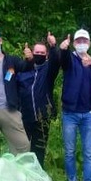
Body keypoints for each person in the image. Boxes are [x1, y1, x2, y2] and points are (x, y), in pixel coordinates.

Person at [56, 29, 91, 181]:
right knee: (69, 151)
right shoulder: (70, 59)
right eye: (78, 41)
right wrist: (63, 49)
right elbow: (63, 60)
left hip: (89, 115)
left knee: (89, 153)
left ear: (89, 43)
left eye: (85, 41)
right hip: (70, 114)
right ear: (74, 43)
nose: (82, 44)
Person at [16, 37, 62, 168]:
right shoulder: (23, 68)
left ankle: (38, 176)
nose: (39, 55)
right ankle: (21, 175)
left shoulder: (48, 70)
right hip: (23, 116)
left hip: (42, 117)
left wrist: (53, 46)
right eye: (37, 52)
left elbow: (56, 62)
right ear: (31, 52)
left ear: (46, 55)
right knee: (22, 149)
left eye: (42, 53)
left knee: (39, 149)